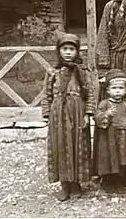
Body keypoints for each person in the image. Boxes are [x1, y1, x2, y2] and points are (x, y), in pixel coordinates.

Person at [41, 32, 95, 201]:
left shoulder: (82, 71)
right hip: (58, 116)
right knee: (62, 147)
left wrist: (88, 113)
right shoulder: (52, 72)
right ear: (59, 51)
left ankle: (76, 184)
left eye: (72, 49)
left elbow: (90, 93)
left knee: (78, 145)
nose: (68, 52)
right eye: (64, 49)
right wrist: (47, 113)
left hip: (78, 113)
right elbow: (46, 94)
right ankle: (65, 185)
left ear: (77, 51)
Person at [92, 69, 126, 192]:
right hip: (111, 137)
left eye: (121, 88)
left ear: (125, 90)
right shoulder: (104, 104)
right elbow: (97, 117)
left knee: (123, 158)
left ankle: (121, 180)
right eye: (114, 88)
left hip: (125, 136)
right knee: (111, 158)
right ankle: (108, 181)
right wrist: (107, 115)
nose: (117, 91)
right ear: (108, 90)